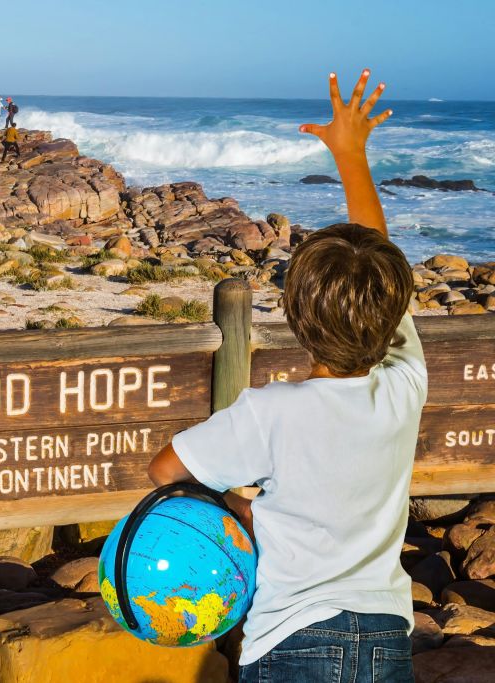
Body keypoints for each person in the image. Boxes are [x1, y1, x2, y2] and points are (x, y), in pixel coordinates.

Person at [147, 69, 413, 683]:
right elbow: (377, 260)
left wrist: (241, 505)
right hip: (386, 638)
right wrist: (352, 155)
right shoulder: (405, 386)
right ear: (394, 310)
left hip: (289, 640)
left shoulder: (269, 413)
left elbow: (165, 469)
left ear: (294, 317)